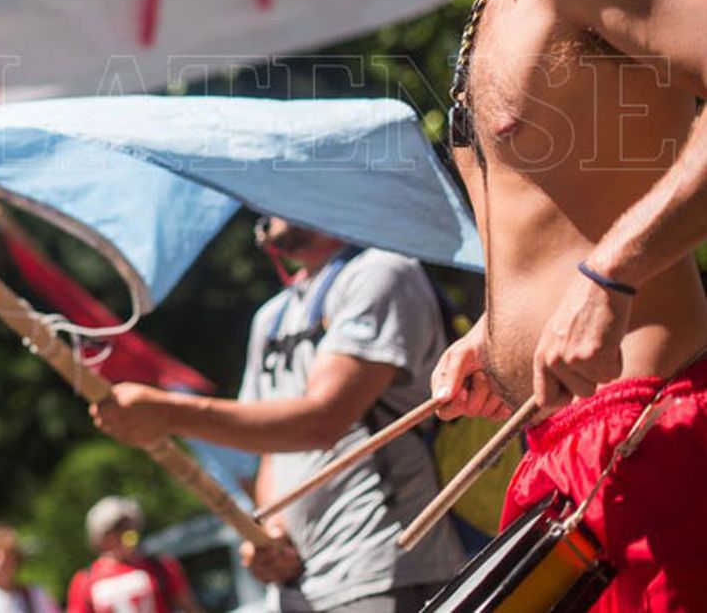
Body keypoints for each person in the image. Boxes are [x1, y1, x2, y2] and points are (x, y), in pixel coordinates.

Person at [341, 0, 707, 610]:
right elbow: (561, 215)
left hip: (649, 431)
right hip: (556, 455)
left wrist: (610, 274)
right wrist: (492, 333)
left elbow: (594, 250)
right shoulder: (496, 3)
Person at [91, 218, 464, 612]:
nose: (262, 211)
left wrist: (171, 414)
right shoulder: (271, 318)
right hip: (298, 586)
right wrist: (271, 528)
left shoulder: (381, 271)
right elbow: (269, 449)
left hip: (386, 566)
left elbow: (324, 420)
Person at [65, 497, 202, 613]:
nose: (127, 530)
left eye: (130, 523)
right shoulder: (85, 580)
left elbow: (189, 606)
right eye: (118, 526)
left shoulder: (163, 566)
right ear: (101, 537)